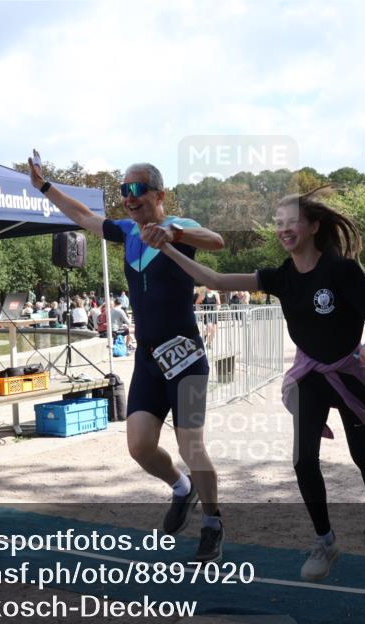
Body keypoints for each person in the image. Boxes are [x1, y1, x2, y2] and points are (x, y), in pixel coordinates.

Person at [146, 188, 365, 582]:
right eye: (278, 223)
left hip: (348, 372)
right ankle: (325, 541)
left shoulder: (341, 271)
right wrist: (169, 248)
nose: (284, 229)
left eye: (291, 221)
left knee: (362, 453)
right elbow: (214, 278)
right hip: (310, 375)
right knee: (303, 460)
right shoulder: (280, 277)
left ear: (312, 226)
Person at [28, 156, 226, 562]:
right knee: (139, 447)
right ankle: (181, 488)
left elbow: (215, 240)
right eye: (124, 191)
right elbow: (82, 214)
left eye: (137, 189)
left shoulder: (180, 228)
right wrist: (45, 187)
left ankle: (212, 521)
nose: (129, 197)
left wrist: (171, 234)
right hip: (149, 361)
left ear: (159, 194)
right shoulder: (127, 233)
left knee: (192, 447)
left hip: (186, 358)